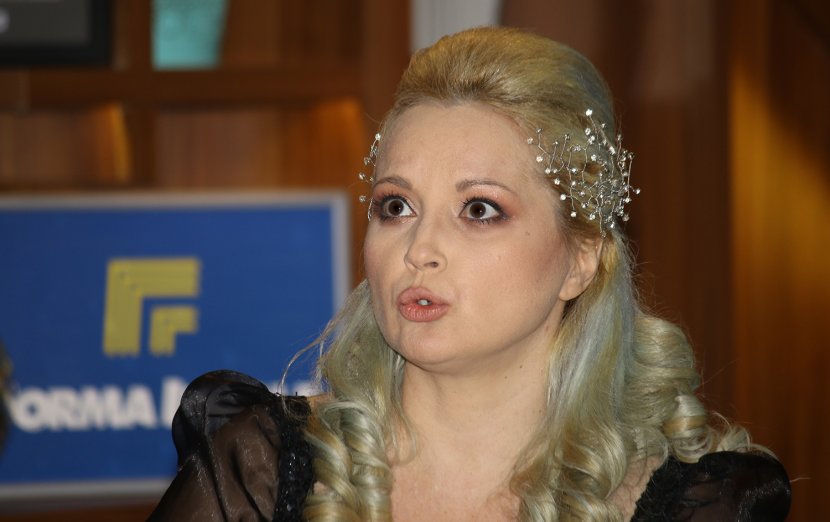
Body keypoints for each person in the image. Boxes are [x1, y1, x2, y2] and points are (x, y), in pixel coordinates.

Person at [149, 27, 790, 521]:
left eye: (479, 209)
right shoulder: (259, 469)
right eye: (395, 207)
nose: (419, 249)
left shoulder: (694, 505)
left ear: (580, 258)